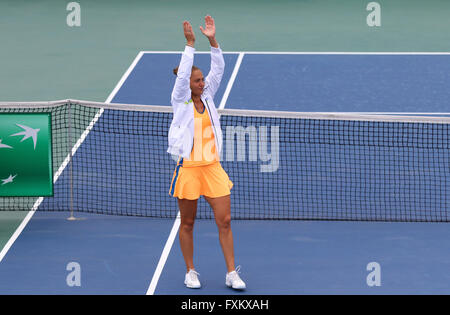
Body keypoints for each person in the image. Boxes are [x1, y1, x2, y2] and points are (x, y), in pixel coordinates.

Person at [167, 16, 246, 290]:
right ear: (188, 84)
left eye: (203, 80)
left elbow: (220, 68)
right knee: (187, 223)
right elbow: (185, 77)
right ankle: (190, 271)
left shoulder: (209, 96)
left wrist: (212, 40)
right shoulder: (180, 101)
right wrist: (190, 44)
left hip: (212, 167)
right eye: (198, 80)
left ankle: (230, 273)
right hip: (189, 169)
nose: (203, 83)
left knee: (224, 220)